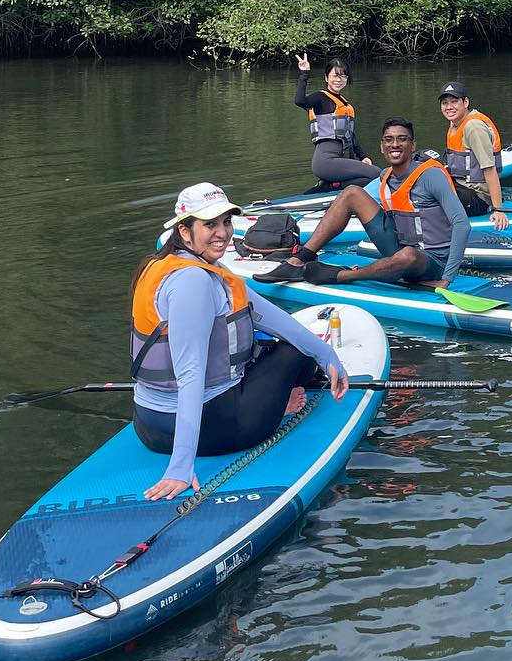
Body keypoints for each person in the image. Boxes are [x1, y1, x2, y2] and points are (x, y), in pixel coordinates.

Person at [131, 182, 349, 502]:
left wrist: (326, 352)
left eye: (226, 222)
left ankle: (277, 396)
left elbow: (269, 316)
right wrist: (180, 467)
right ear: (185, 231)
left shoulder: (167, 266)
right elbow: (190, 374)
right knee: (295, 355)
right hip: (216, 429)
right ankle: (279, 405)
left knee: (298, 346)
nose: (222, 232)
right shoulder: (193, 281)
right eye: (210, 224)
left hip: (148, 425)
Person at [273, 117, 472, 287]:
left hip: (432, 261)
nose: (395, 144)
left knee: (408, 255)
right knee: (351, 192)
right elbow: (351, 203)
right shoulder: (386, 176)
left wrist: (447, 278)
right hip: (398, 249)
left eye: (402, 139)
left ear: (413, 145)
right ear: (382, 146)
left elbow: (462, 224)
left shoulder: (431, 176)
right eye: (389, 140)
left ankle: (342, 275)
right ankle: (298, 260)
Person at [293, 51, 378, 186]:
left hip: (336, 159)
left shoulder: (344, 103)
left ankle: (330, 188)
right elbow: (300, 101)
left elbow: (350, 135)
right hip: (325, 161)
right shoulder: (320, 98)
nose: (339, 80)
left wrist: (363, 156)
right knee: (376, 173)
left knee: (369, 179)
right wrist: (305, 74)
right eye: (335, 76)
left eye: (343, 76)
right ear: (326, 78)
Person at [438, 79, 510, 231]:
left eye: (454, 102)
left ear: (465, 102)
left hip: (477, 197)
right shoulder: (455, 123)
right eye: (445, 103)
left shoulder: (474, 127)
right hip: (462, 186)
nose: (449, 107)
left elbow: (489, 170)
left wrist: (498, 210)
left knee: (431, 198)